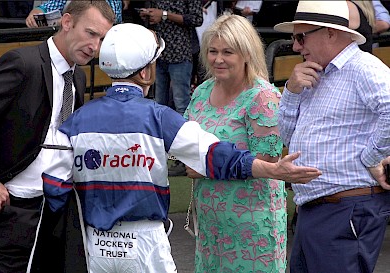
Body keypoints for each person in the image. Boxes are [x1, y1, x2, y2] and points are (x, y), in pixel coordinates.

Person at [39, 22, 321, 273]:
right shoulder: (160, 117)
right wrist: (270, 168)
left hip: (95, 243)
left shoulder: (75, 121)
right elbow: (214, 156)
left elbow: (54, 185)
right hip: (146, 243)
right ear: (148, 71)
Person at [0, 2, 115, 273]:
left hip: (59, 206)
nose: (95, 46)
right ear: (67, 22)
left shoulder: (77, 77)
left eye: (102, 39)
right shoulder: (23, 63)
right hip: (18, 206)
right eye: (91, 33)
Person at [273, 1, 390, 272]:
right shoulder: (317, 73)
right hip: (321, 207)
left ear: (330, 33)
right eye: (294, 38)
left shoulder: (363, 68)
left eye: (301, 36)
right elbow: (288, 139)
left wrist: (370, 157)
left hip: (345, 207)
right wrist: (291, 92)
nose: (296, 46)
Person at [182, 14, 287, 272]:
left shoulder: (262, 97)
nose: (218, 59)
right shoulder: (201, 92)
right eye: (212, 51)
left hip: (252, 222)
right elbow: (184, 152)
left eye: (228, 52)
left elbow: (267, 164)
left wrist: (205, 165)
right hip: (210, 220)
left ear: (247, 53)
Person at [139, 0, 203, 176]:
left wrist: (165, 15)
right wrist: (149, 14)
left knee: (182, 105)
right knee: (159, 106)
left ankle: (186, 160)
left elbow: (197, 19)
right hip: (159, 53)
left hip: (180, 53)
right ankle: (160, 157)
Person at [26, 0, 123, 27]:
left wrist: (69, 21)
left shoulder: (113, 1)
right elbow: (44, 8)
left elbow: (109, 22)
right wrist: (34, 15)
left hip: (100, 49)